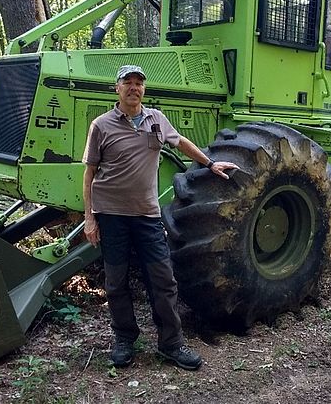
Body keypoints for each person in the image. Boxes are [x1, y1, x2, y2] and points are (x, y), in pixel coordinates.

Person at [82, 64, 238, 370]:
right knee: (115, 282)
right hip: (111, 216)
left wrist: (209, 164)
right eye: (128, 82)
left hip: (147, 216)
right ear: (117, 88)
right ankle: (125, 339)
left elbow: (180, 142)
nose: (134, 87)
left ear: (144, 89)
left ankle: (171, 344)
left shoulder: (156, 119)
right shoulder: (101, 125)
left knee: (163, 281)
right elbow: (88, 175)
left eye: (139, 83)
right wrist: (90, 218)